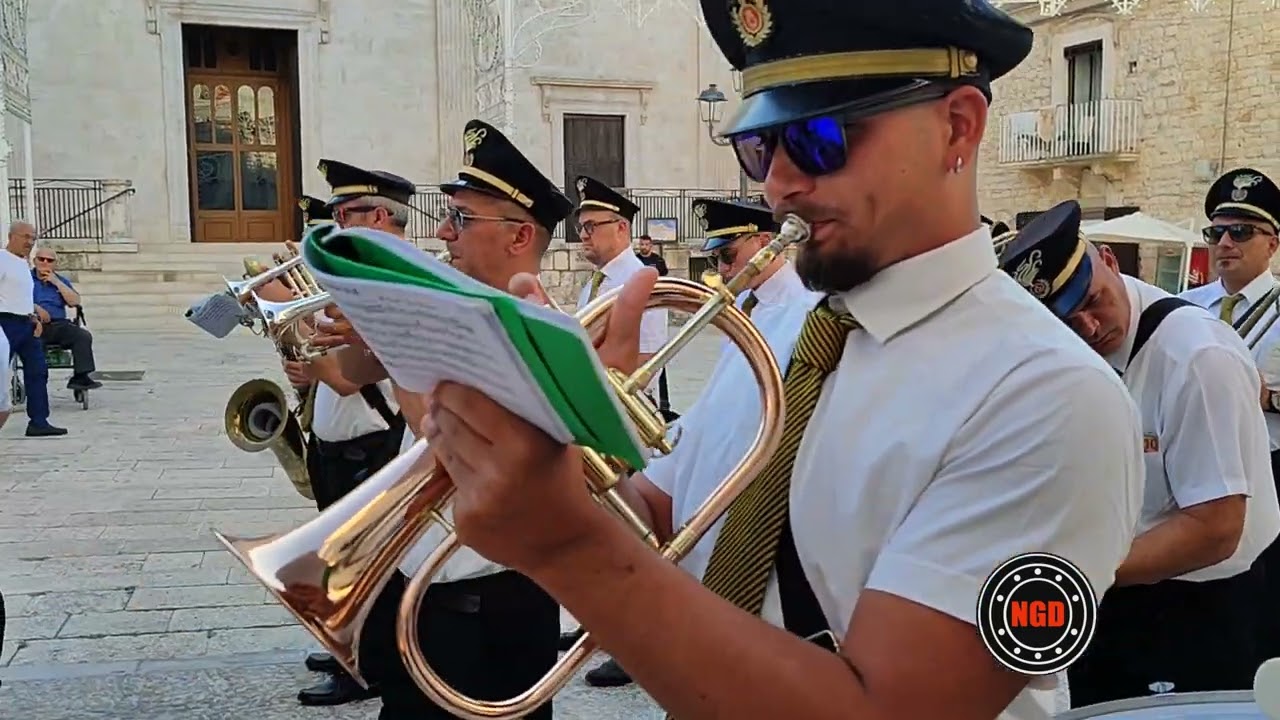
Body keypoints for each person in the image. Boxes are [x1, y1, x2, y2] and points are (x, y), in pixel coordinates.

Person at [419, 3, 1144, 720]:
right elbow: (669, 514)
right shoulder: (783, 334)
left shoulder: (1051, 397)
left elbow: (888, 711)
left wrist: (564, 539)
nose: (778, 185)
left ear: (957, 125)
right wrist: (555, 424)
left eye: (822, 138)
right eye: (760, 148)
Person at [316, 122, 565, 720]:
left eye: (461, 220)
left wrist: (402, 335)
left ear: (519, 235)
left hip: (488, 601)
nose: (440, 232)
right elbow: (347, 374)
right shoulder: (455, 307)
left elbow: (442, 432)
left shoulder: (539, 331)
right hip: (423, 578)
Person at [1001, 199, 1280, 705]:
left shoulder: (1196, 356)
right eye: (1064, 319)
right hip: (1116, 587)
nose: (1087, 326)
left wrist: (1077, 574)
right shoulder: (1055, 355)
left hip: (1196, 608)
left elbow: (1214, 528)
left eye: (1092, 300)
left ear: (1109, 260)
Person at [1178, 167, 1280, 659]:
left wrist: (1272, 398)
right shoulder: (1183, 308)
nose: (1225, 243)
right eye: (1215, 232)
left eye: (1240, 232)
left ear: (1272, 244)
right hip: (1194, 470)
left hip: (1272, 471)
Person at [0, 221, 66, 436]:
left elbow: (21, 296)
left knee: (37, 370)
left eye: (32, 238)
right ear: (12, 236)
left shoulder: (22, 264)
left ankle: (39, 420)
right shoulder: (2, 260)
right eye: (25, 237)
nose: (29, 242)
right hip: (5, 322)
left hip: (25, 323)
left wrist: (33, 317)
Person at [30, 247, 100, 391]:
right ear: (34, 261)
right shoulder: (25, 279)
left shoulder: (60, 280)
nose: (45, 263)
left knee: (82, 336)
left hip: (59, 324)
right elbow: (15, 299)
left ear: (55, 264)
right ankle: (37, 380)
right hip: (34, 324)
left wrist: (56, 282)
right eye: (41, 259)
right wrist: (36, 308)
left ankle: (80, 377)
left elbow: (74, 301)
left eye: (49, 260)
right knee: (34, 345)